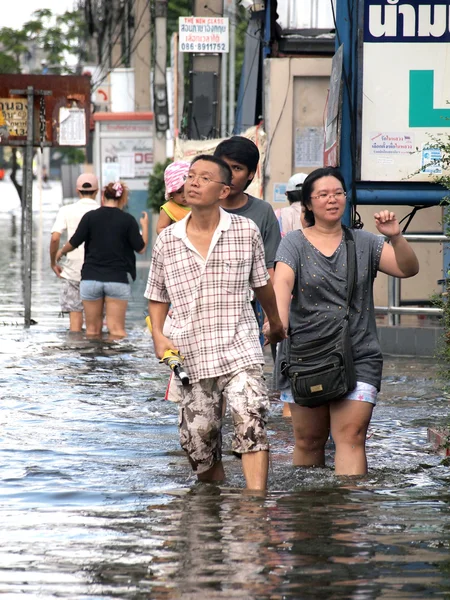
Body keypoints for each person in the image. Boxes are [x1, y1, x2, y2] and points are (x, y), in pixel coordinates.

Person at [145, 154, 286, 491]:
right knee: (199, 444)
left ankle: (255, 508)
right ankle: (216, 498)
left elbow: (261, 284)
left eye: (204, 178)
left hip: (239, 347)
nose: (193, 182)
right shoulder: (167, 239)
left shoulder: (245, 230)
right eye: (191, 176)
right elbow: (156, 296)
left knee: (251, 418)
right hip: (189, 352)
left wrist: (275, 321)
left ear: (224, 191)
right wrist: (158, 338)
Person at [272, 167, 419, 476]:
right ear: (308, 204)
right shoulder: (294, 244)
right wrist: (278, 320)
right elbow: (282, 282)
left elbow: (408, 269)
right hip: (306, 355)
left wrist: (395, 237)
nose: (332, 199)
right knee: (309, 441)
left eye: (338, 193)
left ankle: (348, 514)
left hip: (359, 352)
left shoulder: (365, 242)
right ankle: (310, 512)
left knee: (351, 437)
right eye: (323, 195)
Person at [55, 181, 149, 339]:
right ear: (123, 199)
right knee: (117, 331)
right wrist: (145, 226)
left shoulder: (90, 217)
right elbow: (141, 248)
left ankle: (93, 362)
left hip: (91, 279)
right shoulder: (128, 220)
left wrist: (60, 252)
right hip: (117, 280)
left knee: (92, 331)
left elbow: (74, 242)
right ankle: (116, 363)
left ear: (103, 197)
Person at [213, 136, 281, 353]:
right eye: (225, 167)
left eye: (237, 168)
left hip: (250, 310)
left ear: (251, 174)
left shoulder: (262, 212)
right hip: (206, 307)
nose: (230, 174)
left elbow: (271, 269)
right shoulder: (201, 208)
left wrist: (273, 318)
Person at [50, 173, 99, 332]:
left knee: (75, 327)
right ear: (97, 191)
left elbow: (55, 238)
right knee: (95, 327)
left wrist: (53, 262)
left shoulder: (66, 210)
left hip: (72, 273)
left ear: (77, 191)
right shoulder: (102, 211)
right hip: (97, 273)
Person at [156, 160, 191, 234]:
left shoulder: (199, 206)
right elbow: (160, 229)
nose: (184, 195)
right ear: (171, 194)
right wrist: (174, 234)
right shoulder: (168, 208)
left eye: (188, 190)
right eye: (179, 192)